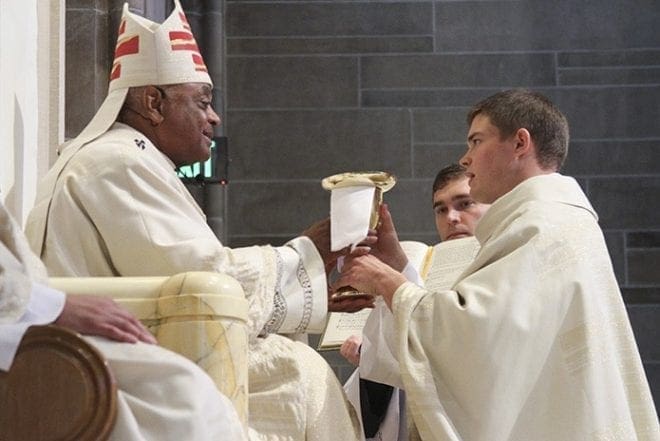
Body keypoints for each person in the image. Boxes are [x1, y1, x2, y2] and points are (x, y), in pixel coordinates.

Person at [25, 2, 362, 439]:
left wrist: (307, 281)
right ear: (153, 102)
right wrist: (303, 259)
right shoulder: (119, 162)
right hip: (100, 362)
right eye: (203, 103)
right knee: (298, 376)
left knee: (296, 372)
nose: (214, 118)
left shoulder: (128, 158)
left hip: (110, 349)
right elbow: (202, 279)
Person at [334, 89, 660, 440]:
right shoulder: (552, 217)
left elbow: (473, 339)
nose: (466, 158)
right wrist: (398, 265)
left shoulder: (542, 224)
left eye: (476, 141)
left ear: (520, 143)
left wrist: (387, 281)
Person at [0, 198, 244, 440]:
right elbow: (198, 264)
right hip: (20, 326)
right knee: (180, 396)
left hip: (24, 311)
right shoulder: (119, 162)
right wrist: (51, 304)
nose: (211, 156)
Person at [340, 164, 489, 440]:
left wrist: (391, 277)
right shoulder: (427, 271)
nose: (452, 218)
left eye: (464, 204)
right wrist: (373, 359)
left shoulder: (501, 269)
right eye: (441, 209)